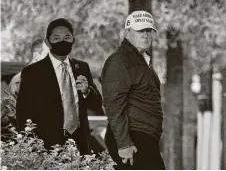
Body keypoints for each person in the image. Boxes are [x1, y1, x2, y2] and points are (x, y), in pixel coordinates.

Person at [16, 18, 102, 154]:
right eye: (57, 38)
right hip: (46, 147)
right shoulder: (32, 72)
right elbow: (23, 113)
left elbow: (97, 104)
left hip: (80, 144)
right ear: (47, 42)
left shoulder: (82, 67)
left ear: (73, 40)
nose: (63, 41)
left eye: (67, 37)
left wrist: (87, 91)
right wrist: (29, 148)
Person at [101, 11, 165, 169]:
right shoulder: (120, 61)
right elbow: (113, 104)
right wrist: (124, 144)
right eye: (140, 30)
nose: (145, 35)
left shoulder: (140, 59)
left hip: (142, 137)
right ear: (127, 33)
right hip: (132, 137)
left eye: (148, 31)